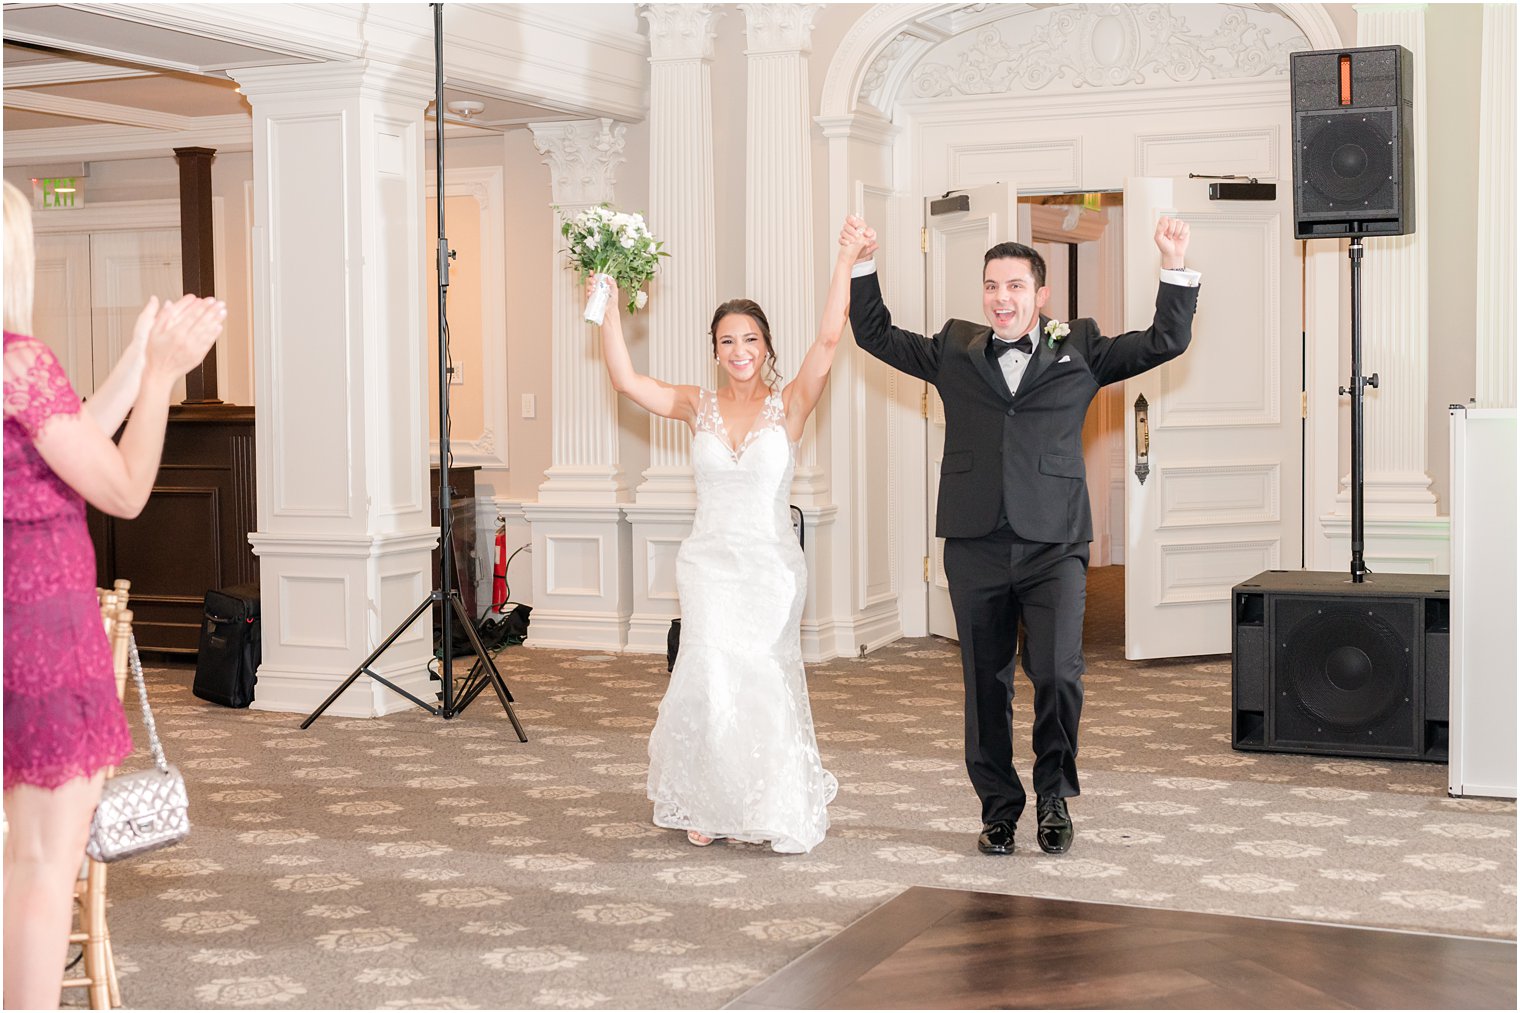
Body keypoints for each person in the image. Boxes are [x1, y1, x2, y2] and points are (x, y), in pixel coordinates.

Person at [842, 212, 1198, 856]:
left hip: (1054, 541)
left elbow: (1164, 342)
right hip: (975, 541)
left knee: (1059, 672)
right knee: (987, 681)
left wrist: (1173, 267)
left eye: (1013, 287)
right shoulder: (954, 348)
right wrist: (863, 262)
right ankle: (1000, 807)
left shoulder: (1081, 346)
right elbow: (874, 335)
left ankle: (1055, 796)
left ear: (1040, 296)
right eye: (990, 286)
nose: (1000, 298)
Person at [3, 178, 226, 1009]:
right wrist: (165, 376)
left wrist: (138, 357)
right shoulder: (16, 359)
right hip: (38, 637)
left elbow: (65, 442)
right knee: (40, 870)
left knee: (25, 862)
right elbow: (124, 488)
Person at [587, 230, 868, 853]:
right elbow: (628, 381)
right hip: (709, 564)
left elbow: (828, 340)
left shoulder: (790, 403)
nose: (740, 350)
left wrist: (845, 258)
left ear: (766, 346)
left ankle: (768, 799)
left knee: (762, 677)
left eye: (750, 339)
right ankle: (711, 798)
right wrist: (607, 307)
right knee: (710, 673)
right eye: (727, 341)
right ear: (715, 350)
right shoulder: (697, 405)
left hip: (769, 569)